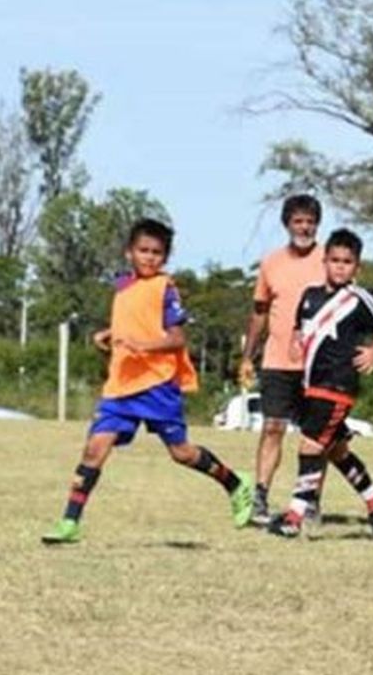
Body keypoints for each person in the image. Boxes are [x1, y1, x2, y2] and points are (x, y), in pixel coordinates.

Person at [42, 219, 253, 544]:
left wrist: (144, 346)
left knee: (181, 453)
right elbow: (134, 322)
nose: (149, 258)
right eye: (143, 251)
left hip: (157, 385)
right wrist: (109, 334)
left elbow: (177, 338)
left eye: (157, 253)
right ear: (129, 253)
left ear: (165, 258)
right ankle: (69, 523)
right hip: (121, 385)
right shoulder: (123, 287)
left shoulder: (165, 289)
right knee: (94, 449)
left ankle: (235, 483)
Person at [267, 228, 373, 540]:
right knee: (337, 450)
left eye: (347, 262)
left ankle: (295, 517)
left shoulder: (357, 299)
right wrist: (297, 343)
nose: (340, 266)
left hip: (338, 386)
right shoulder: (310, 297)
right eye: (335, 260)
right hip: (311, 385)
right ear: (324, 261)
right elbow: (301, 329)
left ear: (357, 267)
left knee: (310, 445)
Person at [240, 194, 325, 526]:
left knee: (315, 436)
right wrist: (248, 355)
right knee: (272, 427)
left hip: (317, 362)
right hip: (277, 360)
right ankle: (260, 496)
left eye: (309, 221)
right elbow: (259, 312)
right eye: (298, 221)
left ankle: (310, 499)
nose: (303, 227)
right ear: (287, 224)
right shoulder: (271, 263)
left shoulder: (329, 261)